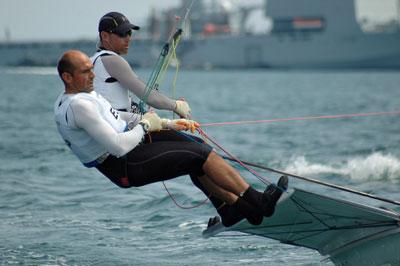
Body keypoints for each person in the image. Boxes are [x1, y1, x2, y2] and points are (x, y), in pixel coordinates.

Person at [54, 50, 288, 228]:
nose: (93, 74)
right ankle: (258, 202)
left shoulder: (81, 96)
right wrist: (146, 125)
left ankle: (237, 208)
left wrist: (166, 123)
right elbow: (117, 146)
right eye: (86, 71)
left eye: (91, 68)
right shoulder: (80, 106)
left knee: (195, 147)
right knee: (199, 156)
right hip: (124, 165)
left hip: (130, 151)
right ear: (67, 77)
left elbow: (115, 116)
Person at [91, 11, 190, 117]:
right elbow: (150, 98)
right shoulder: (112, 60)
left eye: (129, 33)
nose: (128, 38)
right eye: (122, 33)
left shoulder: (93, 60)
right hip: (117, 128)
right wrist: (177, 106)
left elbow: (116, 102)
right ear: (105, 36)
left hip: (116, 123)